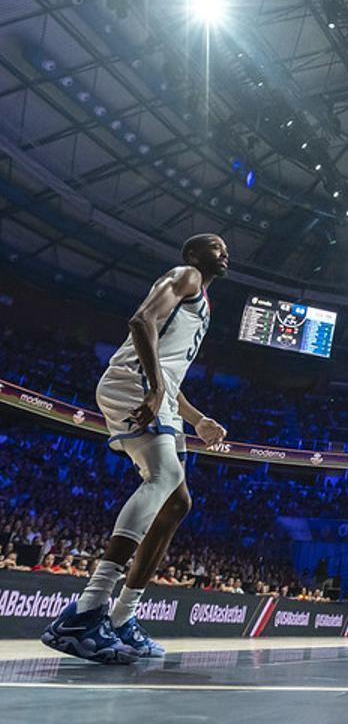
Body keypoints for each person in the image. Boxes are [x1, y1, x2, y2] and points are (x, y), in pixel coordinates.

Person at [42, 234, 230, 663]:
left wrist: (197, 418)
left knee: (178, 503)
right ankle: (85, 612)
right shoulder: (186, 275)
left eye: (225, 248)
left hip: (160, 392)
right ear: (193, 254)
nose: (224, 252)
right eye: (215, 245)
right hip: (134, 381)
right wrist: (155, 389)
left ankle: (123, 617)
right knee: (163, 477)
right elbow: (141, 321)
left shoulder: (204, 306)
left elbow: (169, 372)